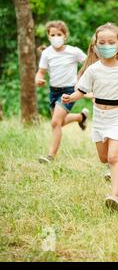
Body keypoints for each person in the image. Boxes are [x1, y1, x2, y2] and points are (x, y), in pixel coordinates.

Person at [62, 23, 118, 210]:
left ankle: (114, 196)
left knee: (113, 157)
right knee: (104, 158)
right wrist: (71, 97)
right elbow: (81, 90)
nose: (106, 45)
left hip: (117, 116)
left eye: (111, 42)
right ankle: (111, 169)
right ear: (95, 46)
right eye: (101, 42)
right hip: (99, 117)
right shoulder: (93, 70)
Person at [35, 20, 88, 164]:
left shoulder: (74, 51)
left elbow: (88, 64)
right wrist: (38, 79)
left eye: (59, 34)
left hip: (69, 91)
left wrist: (81, 80)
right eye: (53, 34)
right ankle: (80, 117)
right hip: (54, 91)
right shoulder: (46, 53)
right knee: (60, 122)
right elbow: (40, 72)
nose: (56, 37)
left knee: (55, 123)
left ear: (65, 35)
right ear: (48, 36)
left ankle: (50, 156)